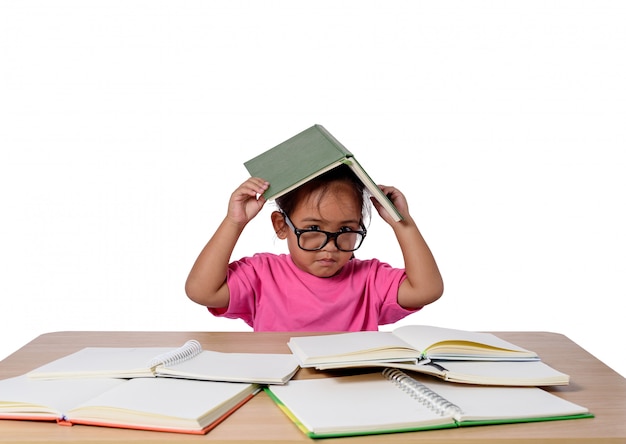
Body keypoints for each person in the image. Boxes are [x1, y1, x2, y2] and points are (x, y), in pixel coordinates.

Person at [185, 164, 443, 331]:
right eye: (313, 230)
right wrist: (234, 222)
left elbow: (426, 290)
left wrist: (403, 224)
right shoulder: (262, 274)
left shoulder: (369, 279)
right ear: (281, 226)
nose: (330, 247)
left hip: (351, 395)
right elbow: (201, 291)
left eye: (345, 231)